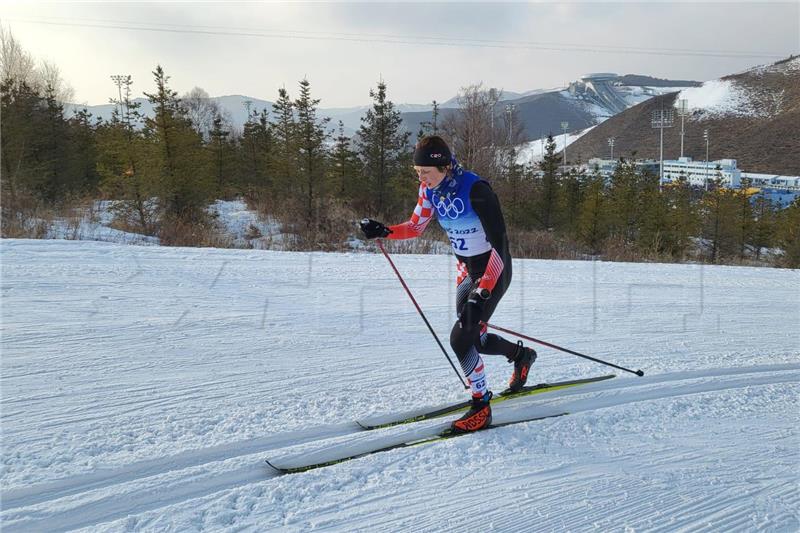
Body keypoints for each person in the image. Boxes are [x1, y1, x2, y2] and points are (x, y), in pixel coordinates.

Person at [359, 135, 537, 433]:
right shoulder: (430, 191)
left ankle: (481, 406)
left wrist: (482, 292)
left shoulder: (477, 190)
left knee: (460, 337)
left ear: (444, 166)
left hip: (494, 271)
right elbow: (415, 227)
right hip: (467, 271)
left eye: (426, 172)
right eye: (417, 173)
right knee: (474, 339)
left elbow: (500, 248)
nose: (422, 179)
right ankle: (522, 356)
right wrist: (385, 230)